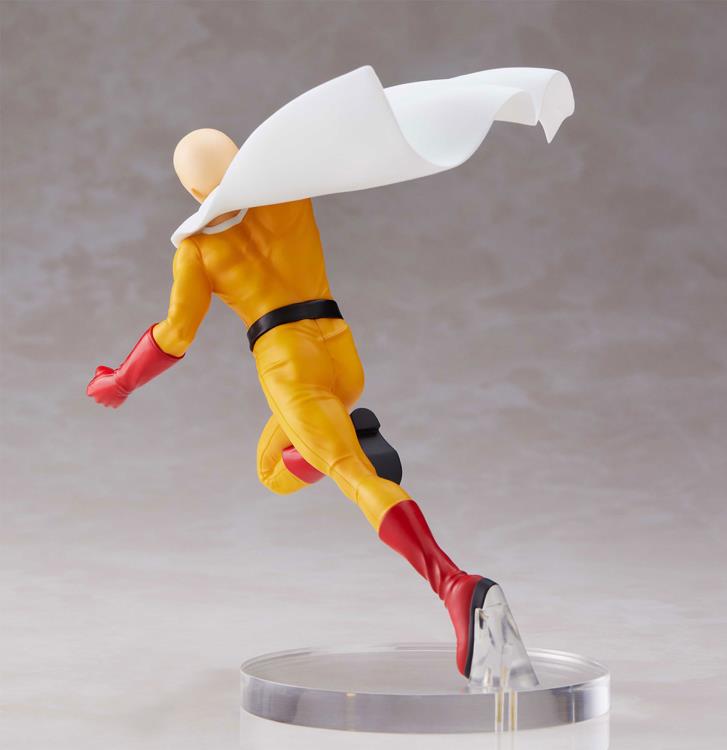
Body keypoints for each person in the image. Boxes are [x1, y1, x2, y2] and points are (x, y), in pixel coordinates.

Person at [87, 128, 499, 678]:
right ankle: (339, 440)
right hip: (340, 348)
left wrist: (121, 381)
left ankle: (453, 584)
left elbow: (174, 336)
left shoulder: (198, 250)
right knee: (273, 470)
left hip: (288, 363)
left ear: (191, 191)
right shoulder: (286, 193)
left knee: (354, 476)